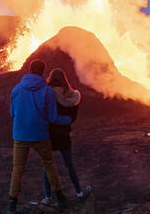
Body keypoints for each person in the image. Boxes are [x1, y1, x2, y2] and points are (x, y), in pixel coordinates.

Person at [7, 60, 72, 214]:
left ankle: (12, 204)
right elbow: (52, 117)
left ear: (29, 70)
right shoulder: (47, 91)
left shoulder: (16, 90)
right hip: (40, 135)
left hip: (20, 135)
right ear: (43, 72)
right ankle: (60, 198)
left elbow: (12, 113)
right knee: (49, 164)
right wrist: (67, 120)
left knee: (17, 170)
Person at [41, 68, 91, 206]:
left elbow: (43, 112)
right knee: (69, 165)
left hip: (48, 134)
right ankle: (79, 193)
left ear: (50, 78)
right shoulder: (71, 96)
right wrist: (65, 121)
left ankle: (47, 197)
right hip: (63, 135)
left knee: (47, 166)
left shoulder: (46, 93)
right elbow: (72, 117)